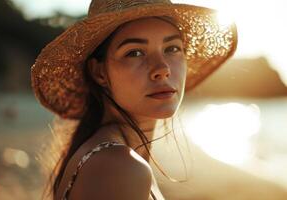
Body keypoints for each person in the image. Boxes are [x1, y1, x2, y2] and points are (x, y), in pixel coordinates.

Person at [31, 0, 237, 199]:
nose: (162, 69)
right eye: (135, 53)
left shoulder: (111, 157)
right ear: (99, 72)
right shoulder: (119, 168)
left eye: (172, 48)